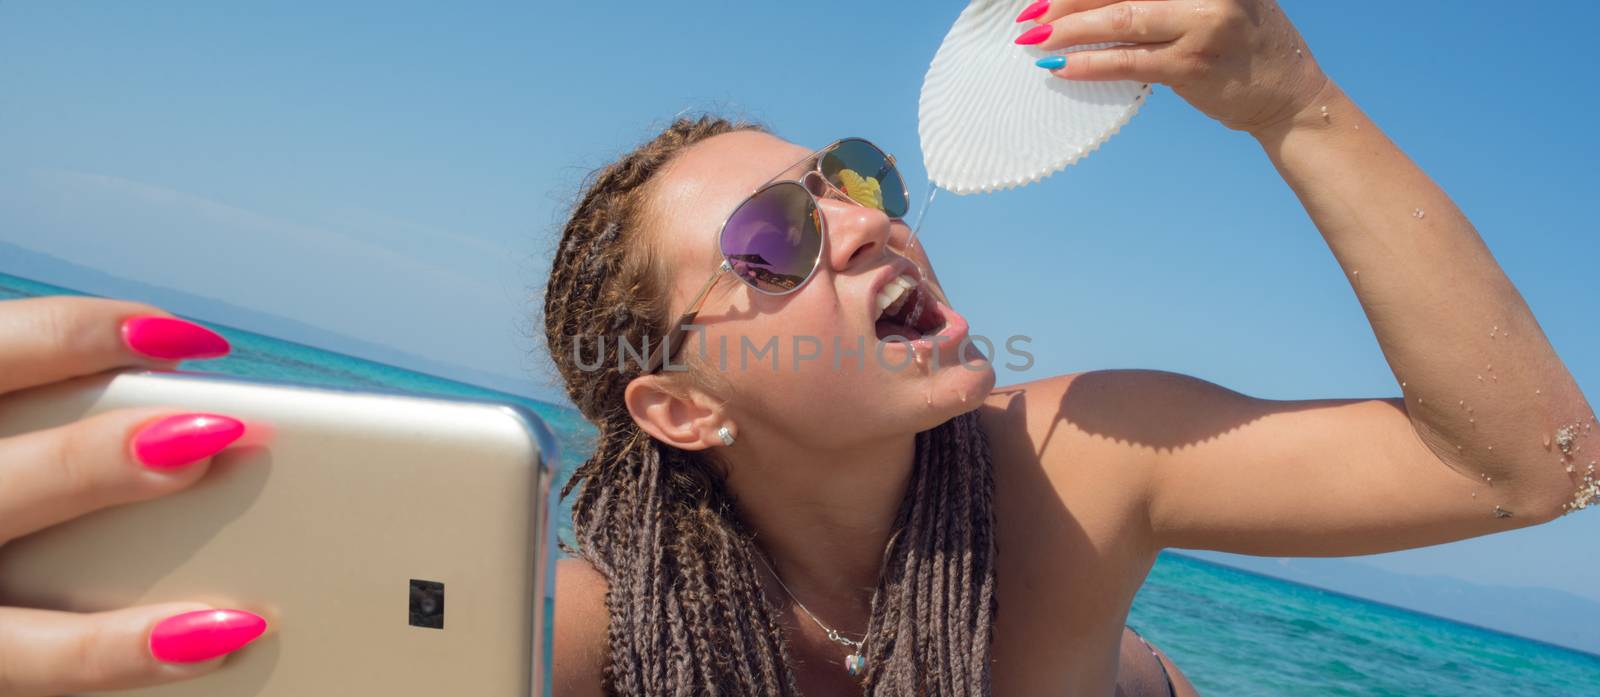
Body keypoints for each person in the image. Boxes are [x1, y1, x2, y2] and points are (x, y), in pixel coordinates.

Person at [0, 2, 1590, 697]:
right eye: (772, 243)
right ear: (678, 403)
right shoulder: (584, 636)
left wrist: (1295, 105)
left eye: (849, 181)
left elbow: (1529, 464)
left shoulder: (1079, 463)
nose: (861, 224)